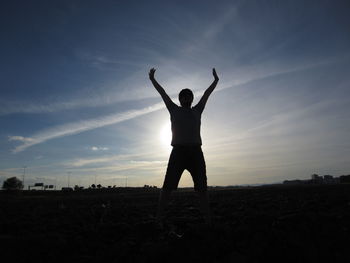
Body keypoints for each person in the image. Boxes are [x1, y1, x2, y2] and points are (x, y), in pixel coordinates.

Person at [149, 67, 219, 225]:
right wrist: (153, 80)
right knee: (167, 187)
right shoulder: (173, 109)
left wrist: (215, 81)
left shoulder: (197, 110)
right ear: (180, 99)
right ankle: (158, 219)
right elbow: (163, 94)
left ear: (192, 99)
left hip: (196, 152)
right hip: (178, 152)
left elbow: (207, 94)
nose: (187, 98)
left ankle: (208, 220)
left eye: (189, 96)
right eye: (184, 96)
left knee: (202, 188)